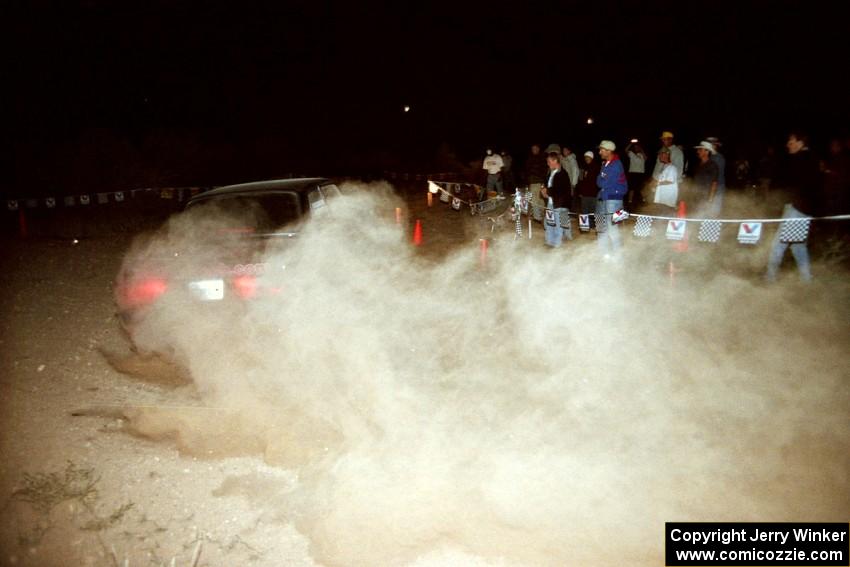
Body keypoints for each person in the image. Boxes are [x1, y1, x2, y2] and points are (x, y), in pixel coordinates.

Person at [765, 131, 820, 283]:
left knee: (778, 244)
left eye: (791, 141)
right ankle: (807, 280)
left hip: (797, 208)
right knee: (798, 246)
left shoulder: (801, 159)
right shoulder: (810, 159)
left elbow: (789, 183)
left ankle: (769, 279)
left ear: (800, 142)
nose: (787, 144)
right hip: (804, 209)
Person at [596, 140, 628, 258]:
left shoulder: (616, 164)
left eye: (602, 150)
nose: (599, 152)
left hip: (614, 199)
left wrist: (602, 179)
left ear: (609, 151)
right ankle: (604, 254)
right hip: (607, 198)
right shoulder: (606, 164)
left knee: (614, 229)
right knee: (604, 226)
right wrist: (602, 179)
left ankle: (618, 257)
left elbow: (603, 183)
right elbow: (599, 180)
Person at [691, 141, 719, 212]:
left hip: (705, 197)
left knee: (703, 216)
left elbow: (714, 184)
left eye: (700, 150)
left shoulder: (712, 165)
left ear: (707, 152)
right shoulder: (698, 165)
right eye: (698, 150)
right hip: (696, 197)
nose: (697, 151)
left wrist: (710, 201)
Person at [577, 150, 601, 228]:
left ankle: (593, 226)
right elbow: (583, 181)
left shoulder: (596, 167)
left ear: (591, 158)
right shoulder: (585, 167)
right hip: (585, 194)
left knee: (592, 211)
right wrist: (580, 191)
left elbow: (597, 181)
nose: (586, 159)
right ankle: (585, 227)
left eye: (588, 157)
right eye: (585, 157)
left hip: (593, 193)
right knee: (584, 211)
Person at [706, 136, 726, 216]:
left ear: (715, 146)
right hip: (712, 186)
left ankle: (713, 226)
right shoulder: (711, 157)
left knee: (714, 209)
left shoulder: (718, 158)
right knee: (708, 209)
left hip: (717, 187)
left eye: (710, 145)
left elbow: (716, 176)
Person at [524, 144, 548, 211]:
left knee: (536, 199)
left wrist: (534, 171)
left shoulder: (542, 157)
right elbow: (527, 170)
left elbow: (544, 170)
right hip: (532, 181)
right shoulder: (530, 157)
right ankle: (540, 215)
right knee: (538, 198)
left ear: (538, 149)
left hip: (538, 181)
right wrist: (527, 180)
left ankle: (538, 216)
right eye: (532, 149)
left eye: (535, 148)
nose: (533, 150)